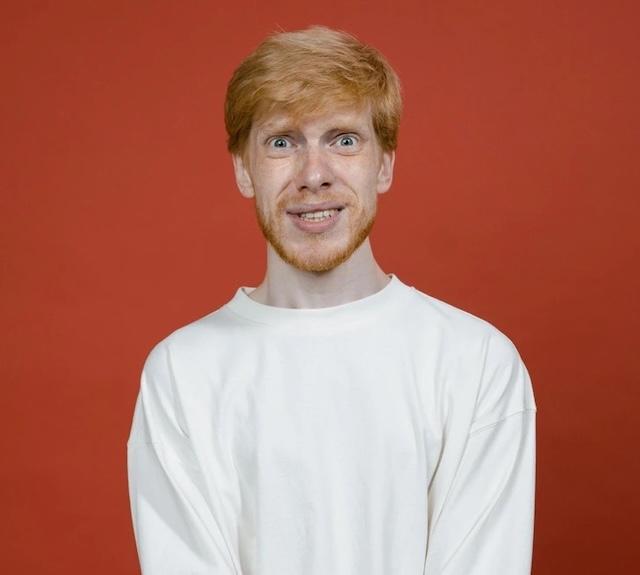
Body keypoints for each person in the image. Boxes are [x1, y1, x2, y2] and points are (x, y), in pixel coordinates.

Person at [126, 25, 537, 575]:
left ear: (384, 165)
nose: (314, 175)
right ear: (244, 169)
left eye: (343, 140)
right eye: (282, 142)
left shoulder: (477, 363)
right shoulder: (181, 373)